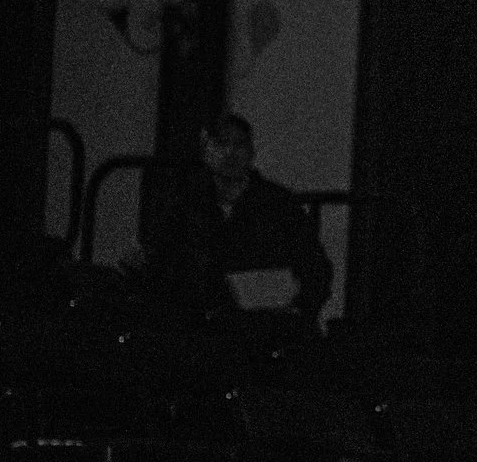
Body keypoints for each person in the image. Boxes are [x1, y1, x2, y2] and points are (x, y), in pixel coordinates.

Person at [137, 113, 333, 322]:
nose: (230, 152)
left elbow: (313, 266)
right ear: (205, 152)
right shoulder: (185, 203)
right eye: (221, 144)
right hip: (198, 318)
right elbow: (160, 259)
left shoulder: (278, 203)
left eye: (239, 144)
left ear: (251, 152)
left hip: (263, 319)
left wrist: (299, 308)